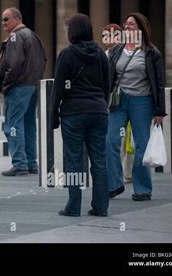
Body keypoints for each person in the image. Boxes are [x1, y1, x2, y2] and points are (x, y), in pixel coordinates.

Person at [49, 14, 110, 217]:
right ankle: (101, 207)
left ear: (72, 32)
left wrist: (53, 116)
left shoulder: (66, 55)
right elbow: (106, 84)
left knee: (74, 161)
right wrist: (102, 104)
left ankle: (73, 207)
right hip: (98, 111)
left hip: (73, 113)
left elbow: (58, 88)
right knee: (99, 160)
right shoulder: (101, 54)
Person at [106, 12, 165, 201]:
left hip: (143, 102)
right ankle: (114, 184)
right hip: (119, 101)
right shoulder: (117, 50)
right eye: (126, 24)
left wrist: (159, 110)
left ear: (141, 28)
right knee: (110, 141)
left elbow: (159, 82)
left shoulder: (151, 52)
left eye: (131, 24)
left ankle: (143, 189)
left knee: (142, 144)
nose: (127, 26)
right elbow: (108, 76)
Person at [0, 7, 46, 176]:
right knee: (29, 124)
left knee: (13, 125)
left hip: (18, 86)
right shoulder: (33, 36)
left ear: (16, 19)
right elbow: (43, 59)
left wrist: (6, 84)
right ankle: (31, 163)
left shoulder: (15, 36)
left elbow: (13, 64)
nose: (3, 23)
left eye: (6, 19)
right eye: (2, 20)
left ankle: (20, 163)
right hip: (32, 85)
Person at [103, 23, 134, 184]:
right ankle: (118, 175)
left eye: (108, 35)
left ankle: (128, 173)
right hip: (113, 101)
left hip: (129, 99)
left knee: (128, 139)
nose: (105, 39)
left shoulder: (126, 51)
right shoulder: (105, 53)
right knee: (114, 140)